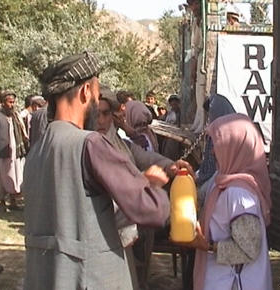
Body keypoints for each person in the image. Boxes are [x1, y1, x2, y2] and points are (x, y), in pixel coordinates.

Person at [22, 51, 171, 290]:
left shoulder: (36, 152)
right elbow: (150, 209)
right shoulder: (89, 143)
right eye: (96, 93)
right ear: (85, 92)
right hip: (90, 278)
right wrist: (152, 186)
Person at [97, 95, 195, 290]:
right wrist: (145, 183)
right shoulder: (87, 146)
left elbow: (146, 158)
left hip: (135, 227)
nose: (100, 120)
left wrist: (171, 166)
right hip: (108, 231)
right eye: (96, 114)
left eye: (105, 114)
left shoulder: (120, 143)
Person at [177, 114, 273, 290]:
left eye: (217, 144)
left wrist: (205, 245)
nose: (213, 151)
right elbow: (202, 201)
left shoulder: (239, 195)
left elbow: (249, 250)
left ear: (235, 147)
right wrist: (188, 178)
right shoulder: (221, 179)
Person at [0, 91, 28, 211]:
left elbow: (23, 133)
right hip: (4, 153)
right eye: (9, 102)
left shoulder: (16, 116)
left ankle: (13, 201)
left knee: (16, 177)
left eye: (13, 102)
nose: (12, 104)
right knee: (3, 178)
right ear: (3, 102)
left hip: (16, 153)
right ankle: (2, 201)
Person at [197, 94, 236, 190]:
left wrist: (199, 179)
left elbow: (210, 168)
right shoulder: (238, 128)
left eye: (210, 113)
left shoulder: (216, 133)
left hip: (221, 181)